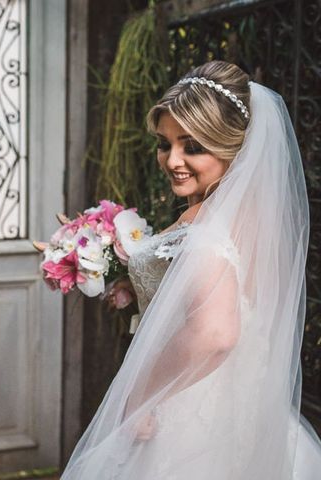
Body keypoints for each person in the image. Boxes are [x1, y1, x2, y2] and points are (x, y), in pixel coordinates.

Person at [62, 60, 321, 479]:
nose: (172, 160)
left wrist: (138, 399)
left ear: (230, 147)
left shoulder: (207, 232)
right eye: (165, 144)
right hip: (241, 409)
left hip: (188, 421)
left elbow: (216, 333)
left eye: (193, 146)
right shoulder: (247, 217)